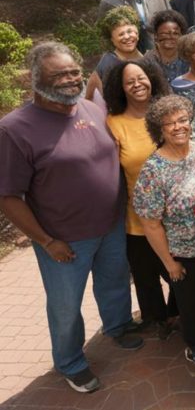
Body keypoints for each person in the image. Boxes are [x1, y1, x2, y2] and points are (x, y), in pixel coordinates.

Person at [0, 43, 143, 394]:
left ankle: (119, 326)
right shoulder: (15, 129)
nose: (69, 80)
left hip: (110, 225)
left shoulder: (91, 109)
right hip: (65, 238)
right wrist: (47, 241)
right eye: (58, 75)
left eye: (73, 72)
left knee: (114, 282)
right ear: (36, 81)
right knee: (66, 306)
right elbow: (8, 197)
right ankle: (71, 362)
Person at [134, 94, 195, 369]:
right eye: (169, 123)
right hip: (185, 250)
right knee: (192, 303)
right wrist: (169, 263)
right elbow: (150, 223)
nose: (178, 126)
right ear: (158, 130)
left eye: (182, 119)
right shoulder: (154, 169)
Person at [103, 60, 176, 337]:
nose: (137, 84)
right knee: (146, 278)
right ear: (120, 89)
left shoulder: (166, 116)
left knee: (179, 274)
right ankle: (157, 321)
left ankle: (175, 314)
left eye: (141, 78)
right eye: (129, 81)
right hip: (137, 219)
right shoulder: (114, 123)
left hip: (175, 216)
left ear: (152, 79)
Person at [85, 6, 145, 102]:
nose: (127, 37)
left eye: (130, 31)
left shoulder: (148, 58)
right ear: (112, 40)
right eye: (121, 34)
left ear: (137, 33)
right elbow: (90, 97)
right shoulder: (108, 63)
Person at [144, 9, 189, 82]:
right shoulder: (147, 61)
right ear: (156, 35)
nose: (170, 37)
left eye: (175, 33)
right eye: (164, 33)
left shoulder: (188, 57)